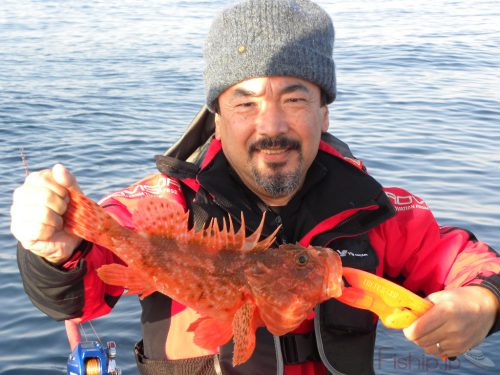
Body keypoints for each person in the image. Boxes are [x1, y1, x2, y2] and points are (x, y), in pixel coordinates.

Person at [10, 0, 500, 374]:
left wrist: (483, 303)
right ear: (216, 119)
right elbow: (79, 295)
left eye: (294, 97)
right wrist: (55, 248)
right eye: (244, 102)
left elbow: (466, 262)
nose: (271, 125)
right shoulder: (168, 202)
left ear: (324, 111)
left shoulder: (377, 209)